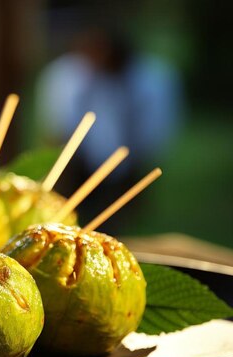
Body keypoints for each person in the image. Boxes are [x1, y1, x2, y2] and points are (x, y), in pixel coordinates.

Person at [35, 28, 183, 234]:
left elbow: (154, 133)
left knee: (113, 225)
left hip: (126, 167)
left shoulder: (151, 80)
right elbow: (55, 125)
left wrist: (133, 165)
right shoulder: (66, 75)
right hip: (75, 164)